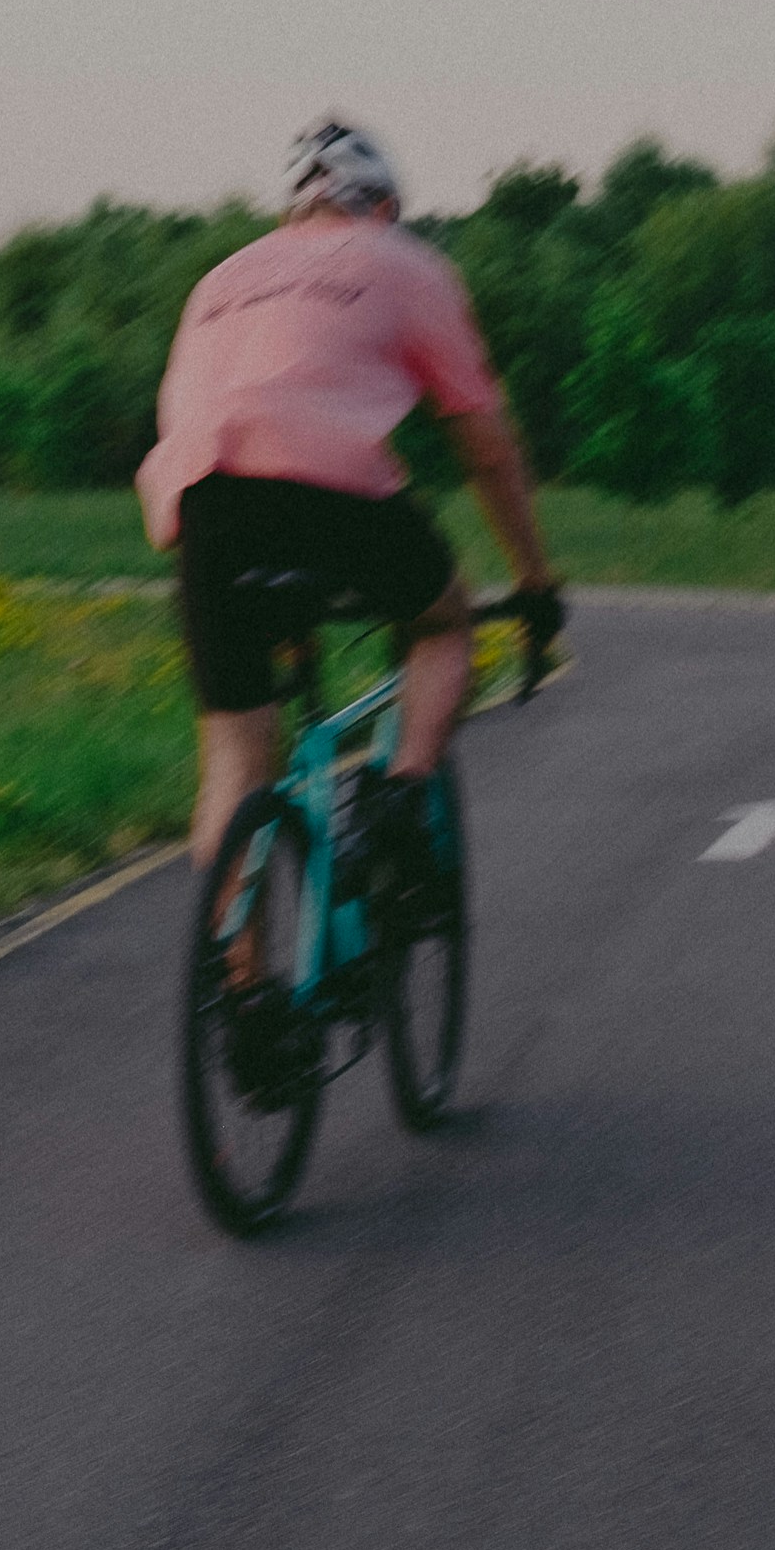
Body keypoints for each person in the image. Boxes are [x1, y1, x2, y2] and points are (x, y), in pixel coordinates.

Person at [136, 119, 562, 987]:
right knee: (442, 621)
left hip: (205, 500)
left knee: (232, 760)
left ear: (292, 210)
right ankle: (401, 795)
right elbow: (483, 442)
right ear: (388, 207)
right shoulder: (406, 265)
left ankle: (244, 995)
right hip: (332, 483)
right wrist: (533, 576)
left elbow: (178, 415)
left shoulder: (217, 281)